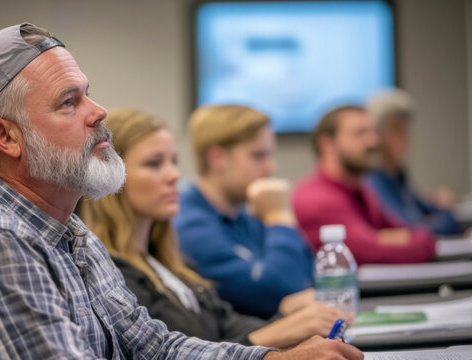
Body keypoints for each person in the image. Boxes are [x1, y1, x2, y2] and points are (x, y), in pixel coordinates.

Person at [0, 23, 363, 360]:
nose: (99, 111)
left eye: (87, 93)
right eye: (69, 102)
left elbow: (152, 347)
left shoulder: (61, 226)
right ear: (6, 138)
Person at [80, 108, 352, 349]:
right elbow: (179, 352)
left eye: (173, 162)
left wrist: (285, 315)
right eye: (154, 163)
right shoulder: (111, 273)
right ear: (112, 173)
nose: (174, 175)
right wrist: (282, 327)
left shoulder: (167, 261)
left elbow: (225, 326)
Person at [173, 105, 314, 319]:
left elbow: (308, 278)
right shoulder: (190, 226)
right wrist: (279, 217)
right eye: (258, 156)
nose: (270, 168)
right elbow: (280, 291)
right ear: (217, 158)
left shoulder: (247, 212)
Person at [292, 105, 436, 264]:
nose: (373, 141)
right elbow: (370, 253)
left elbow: (410, 231)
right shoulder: (316, 199)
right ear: (328, 144)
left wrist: (384, 239)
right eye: (360, 133)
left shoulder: (361, 189)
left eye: (373, 132)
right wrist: (385, 240)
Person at [365, 89, 461, 236]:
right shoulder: (371, 180)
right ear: (376, 135)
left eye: (406, 130)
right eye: (397, 130)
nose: (405, 138)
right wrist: (444, 217)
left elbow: (426, 213)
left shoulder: (397, 175)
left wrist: (436, 207)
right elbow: (407, 229)